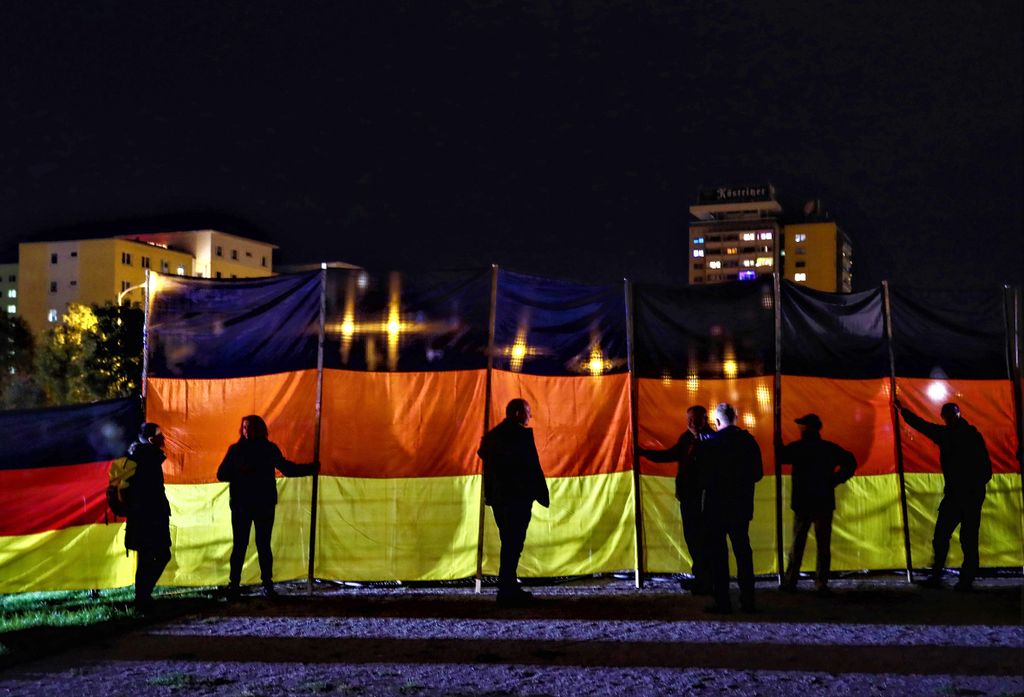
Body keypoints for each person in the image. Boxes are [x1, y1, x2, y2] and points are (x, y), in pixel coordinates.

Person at [216, 415, 318, 600]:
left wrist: (310, 469)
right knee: (245, 545)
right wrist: (311, 469)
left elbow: (287, 469)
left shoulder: (257, 449)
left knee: (259, 545)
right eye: (245, 427)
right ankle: (244, 585)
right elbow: (221, 474)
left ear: (259, 429)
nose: (246, 430)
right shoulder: (246, 450)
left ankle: (256, 584)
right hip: (247, 504)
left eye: (250, 427)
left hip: (255, 503)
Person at [895, 398, 992, 591]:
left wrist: (903, 411)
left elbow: (922, 426)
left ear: (952, 416)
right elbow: (986, 470)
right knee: (966, 538)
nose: (948, 419)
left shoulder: (947, 435)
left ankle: (940, 575)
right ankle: (965, 578)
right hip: (969, 495)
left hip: (958, 495)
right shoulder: (971, 435)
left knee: (945, 536)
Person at [478, 398, 549, 606]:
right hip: (517, 498)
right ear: (518, 413)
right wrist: (537, 492)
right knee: (514, 542)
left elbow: (485, 458)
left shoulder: (492, 437)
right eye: (528, 412)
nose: (530, 416)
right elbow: (531, 467)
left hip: (500, 499)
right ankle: (507, 588)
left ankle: (507, 585)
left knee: (508, 541)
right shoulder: (520, 437)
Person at [638, 405, 714, 594]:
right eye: (689, 419)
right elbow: (670, 455)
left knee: (702, 539)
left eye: (695, 420)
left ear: (705, 419)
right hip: (687, 496)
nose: (692, 423)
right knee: (692, 537)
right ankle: (700, 577)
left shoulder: (710, 439)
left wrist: (698, 439)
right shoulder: (686, 437)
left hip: (703, 498)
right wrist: (645, 453)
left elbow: (707, 465)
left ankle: (707, 580)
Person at [778, 414, 857, 595]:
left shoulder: (800, 448)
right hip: (822, 501)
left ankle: (791, 581)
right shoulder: (827, 448)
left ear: (808, 429)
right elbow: (850, 462)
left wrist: (778, 442)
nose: (801, 429)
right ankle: (821, 582)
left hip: (803, 502)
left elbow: (782, 457)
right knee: (823, 544)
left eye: (803, 427)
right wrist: (835, 480)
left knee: (798, 543)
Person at [699, 403, 763, 614]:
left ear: (717, 422)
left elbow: (703, 477)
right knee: (743, 552)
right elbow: (758, 474)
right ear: (736, 418)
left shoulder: (712, 444)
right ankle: (748, 600)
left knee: (719, 555)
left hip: (716, 507)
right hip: (741, 506)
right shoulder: (749, 441)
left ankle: (723, 600)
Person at [124, 422, 172, 614]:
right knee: (160, 555)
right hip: (152, 516)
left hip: (140, 516)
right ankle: (142, 598)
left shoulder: (136, 457)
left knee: (146, 559)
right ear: (152, 439)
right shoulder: (149, 458)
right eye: (160, 434)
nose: (164, 438)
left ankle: (142, 599)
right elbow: (150, 491)